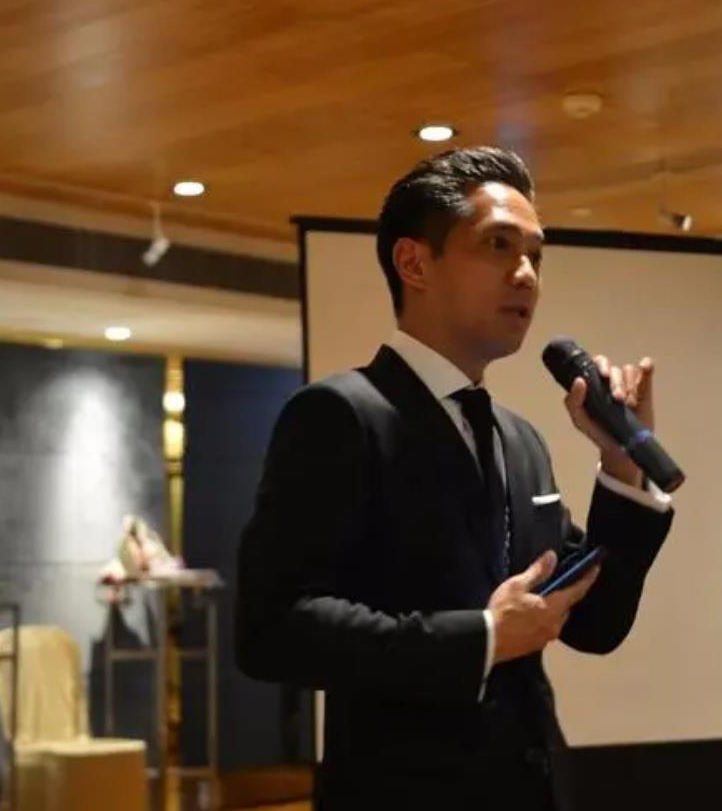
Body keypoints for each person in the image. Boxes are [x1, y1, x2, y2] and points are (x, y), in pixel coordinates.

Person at [236, 146, 674, 811]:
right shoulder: (340, 415)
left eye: (535, 255)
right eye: (498, 245)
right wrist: (484, 636)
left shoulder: (519, 439)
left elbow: (593, 622)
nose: (525, 274)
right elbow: (272, 628)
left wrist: (621, 467)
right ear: (414, 263)